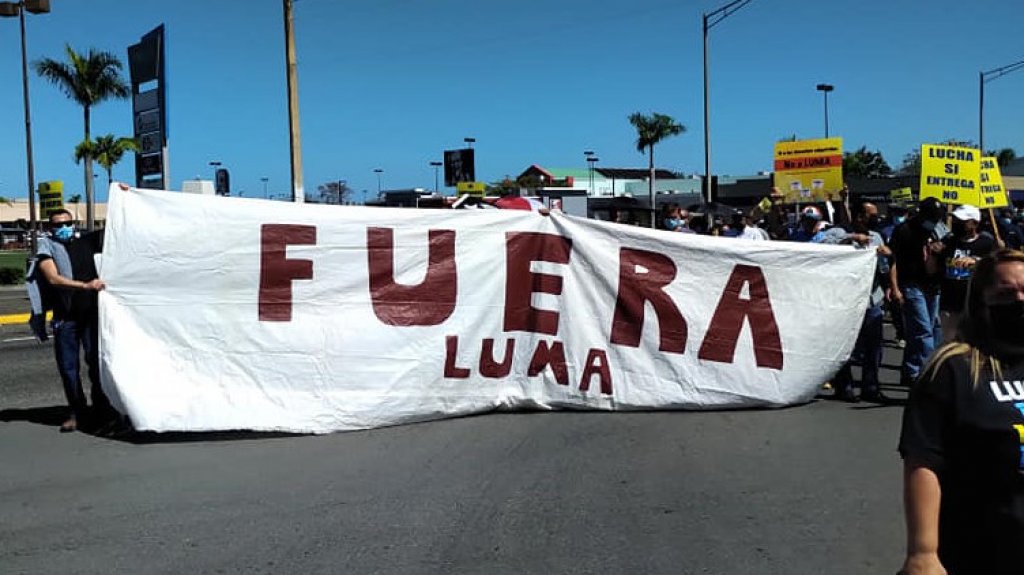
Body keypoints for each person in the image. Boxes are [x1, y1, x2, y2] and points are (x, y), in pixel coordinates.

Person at [898, 250, 1024, 575]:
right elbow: (923, 460)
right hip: (983, 548)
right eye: (1005, 293)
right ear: (982, 301)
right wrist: (922, 552)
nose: (1019, 300)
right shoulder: (953, 369)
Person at [35, 209, 110, 433]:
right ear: (50, 229)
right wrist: (84, 286)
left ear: (74, 223)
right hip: (65, 317)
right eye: (58, 225)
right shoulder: (47, 249)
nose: (63, 227)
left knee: (96, 364)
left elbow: (118, 228)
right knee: (68, 367)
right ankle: (76, 412)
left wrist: (122, 196)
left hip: (90, 314)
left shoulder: (87, 243)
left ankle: (102, 410)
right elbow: (53, 278)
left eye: (67, 223)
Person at [815, 201, 890, 402]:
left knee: (874, 346)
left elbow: (882, 268)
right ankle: (844, 386)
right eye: (870, 215)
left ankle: (871, 386)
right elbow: (820, 248)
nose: (874, 219)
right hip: (845, 300)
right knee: (845, 345)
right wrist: (850, 239)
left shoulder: (876, 237)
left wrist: (886, 258)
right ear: (859, 216)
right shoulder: (836, 232)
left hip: (871, 299)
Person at [889, 197, 948, 386]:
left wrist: (941, 249)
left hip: (933, 285)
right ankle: (929, 374)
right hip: (912, 284)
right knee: (923, 330)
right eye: (932, 216)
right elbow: (893, 260)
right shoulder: (904, 230)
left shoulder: (940, 230)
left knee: (929, 329)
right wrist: (894, 287)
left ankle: (910, 369)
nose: (935, 220)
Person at [938, 204, 995, 343]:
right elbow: (934, 269)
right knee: (950, 344)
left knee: (975, 343)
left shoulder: (987, 243)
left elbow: (996, 269)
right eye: (956, 220)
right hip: (950, 303)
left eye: (962, 221)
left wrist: (977, 262)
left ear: (974, 223)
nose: (957, 224)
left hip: (975, 304)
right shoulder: (949, 241)